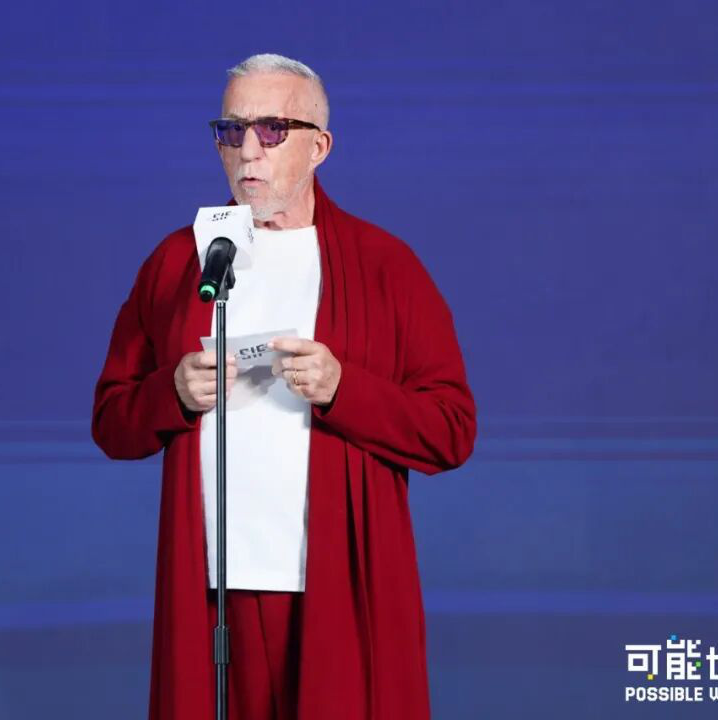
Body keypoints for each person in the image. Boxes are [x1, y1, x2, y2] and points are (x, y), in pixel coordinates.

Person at [92, 53, 476, 720]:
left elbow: (451, 430)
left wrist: (343, 389)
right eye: (230, 130)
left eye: (272, 130)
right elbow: (112, 420)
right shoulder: (179, 261)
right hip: (213, 591)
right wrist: (170, 392)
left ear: (319, 146)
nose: (248, 151)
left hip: (337, 586)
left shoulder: (385, 265)